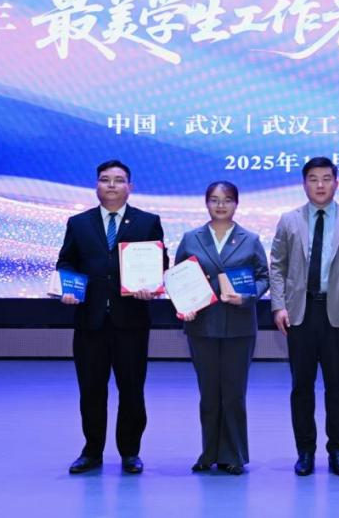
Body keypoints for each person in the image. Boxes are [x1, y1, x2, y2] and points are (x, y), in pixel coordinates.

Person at [56, 159, 169, 475]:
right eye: (105, 179)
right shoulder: (79, 223)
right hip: (90, 320)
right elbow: (66, 263)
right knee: (91, 389)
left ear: (130, 187)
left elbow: (160, 262)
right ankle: (92, 451)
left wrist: (151, 286)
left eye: (119, 180)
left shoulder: (147, 222)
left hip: (131, 321)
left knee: (131, 389)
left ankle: (130, 452)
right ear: (96, 185)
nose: (111, 185)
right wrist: (68, 288)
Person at [269, 156, 339, 477]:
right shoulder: (289, 220)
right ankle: (305, 451)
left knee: (337, 386)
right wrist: (278, 305)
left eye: (326, 178)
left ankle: (338, 451)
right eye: (313, 179)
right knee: (301, 386)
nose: (320, 185)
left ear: (336, 183)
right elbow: (277, 266)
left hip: (338, 313)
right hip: (300, 313)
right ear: (304, 184)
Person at [174, 181, 269, 476]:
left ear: (236, 204)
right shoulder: (191, 238)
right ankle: (208, 453)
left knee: (234, 394)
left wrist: (247, 297)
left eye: (227, 200)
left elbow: (264, 277)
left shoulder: (250, 239)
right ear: (206, 203)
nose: (220, 205)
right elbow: (178, 277)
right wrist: (182, 305)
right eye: (214, 200)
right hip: (201, 326)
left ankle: (233, 455)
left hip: (239, 327)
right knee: (208, 394)